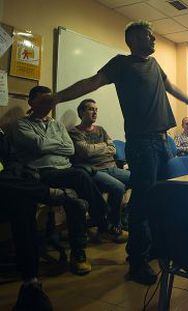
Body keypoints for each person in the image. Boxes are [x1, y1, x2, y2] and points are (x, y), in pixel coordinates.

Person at [35, 21, 188, 285]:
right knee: (142, 203)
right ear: (134, 39)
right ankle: (137, 262)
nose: (154, 40)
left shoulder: (155, 65)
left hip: (163, 141)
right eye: (149, 36)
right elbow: (92, 83)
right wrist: (57, 97)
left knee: (159, 199)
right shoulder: (121, 64)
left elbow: (169, 86)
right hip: (142, 143)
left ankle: (153, 249)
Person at [10, 86, 124, 247]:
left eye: (50, 101)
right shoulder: (21, 124)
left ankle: (100, 228)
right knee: (82, 176)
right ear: (31, 102)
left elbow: (69, 148)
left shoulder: (57, 125)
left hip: (66, 169)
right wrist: (58, 144)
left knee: (81, 186)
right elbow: (40, 146)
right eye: (44, 101)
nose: (49, 105)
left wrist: (48, 145)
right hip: (42, 172)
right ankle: (105, 223)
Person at [1, 125, 90, 310]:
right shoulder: (23, 125)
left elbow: (12, 159)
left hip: (9, 188)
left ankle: (30, 282)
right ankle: (51, 193)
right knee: (27, 194)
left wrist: (14, 173)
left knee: (23, 204)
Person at [69, 98, 129, 241]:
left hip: (112, 167)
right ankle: (113, 226)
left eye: (96, 110)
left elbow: (113, 148)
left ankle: (124, 217)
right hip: (94, 171)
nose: (94, 112)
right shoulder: (74, 132)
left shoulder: (100, 129)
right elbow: (86, 152)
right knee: (119, 188)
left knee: (140, 180)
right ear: (81, 112)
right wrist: (103, 147)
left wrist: (97, 148)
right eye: (90, 109)